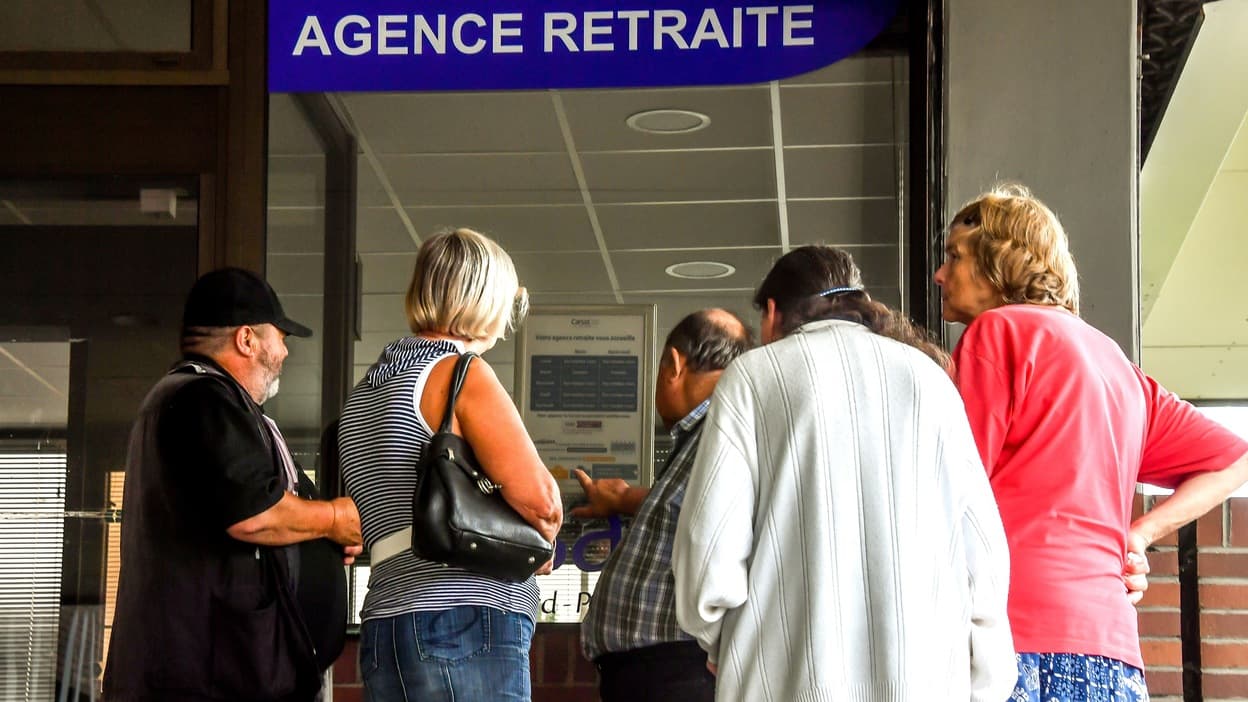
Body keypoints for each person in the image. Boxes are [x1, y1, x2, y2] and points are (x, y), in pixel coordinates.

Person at [934, 184, 1248, 701]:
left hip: (1014, 642)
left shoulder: (997, 333)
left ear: (999, 260)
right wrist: (1138, 536)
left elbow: (953, 497)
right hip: (1114, 655)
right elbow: (1233, 459)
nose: (940, 275)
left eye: (954, 257)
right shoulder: (1117, 366)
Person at [672, 245, 1017, 702]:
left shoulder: (754, 377)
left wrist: (717, 637)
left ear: (773, 313)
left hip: (783, 682)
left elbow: (708, 548)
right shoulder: (930, 380)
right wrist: (985, 682)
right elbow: (983, 559)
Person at [104, 267, 364, 702]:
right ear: (247, 340)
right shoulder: (203, 399)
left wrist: (316, 538)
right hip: (209, 679)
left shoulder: (199, 401)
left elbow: (246, 503)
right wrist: (335, 519)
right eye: (280, 337)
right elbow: (254, 513)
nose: (284, 351)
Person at [338, 228, 563, 702]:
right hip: (464, 620)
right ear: (485, 299)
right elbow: (541, 504)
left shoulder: (363, 395)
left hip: (383, 623)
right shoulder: (461, 373)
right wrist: (537, 543)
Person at [575, 308, 755, 702]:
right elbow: (696, 507)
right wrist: (625, 499)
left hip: (678, 670)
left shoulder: (721, 434)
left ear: (673, 364)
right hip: (660, 670)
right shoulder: (705, 437)